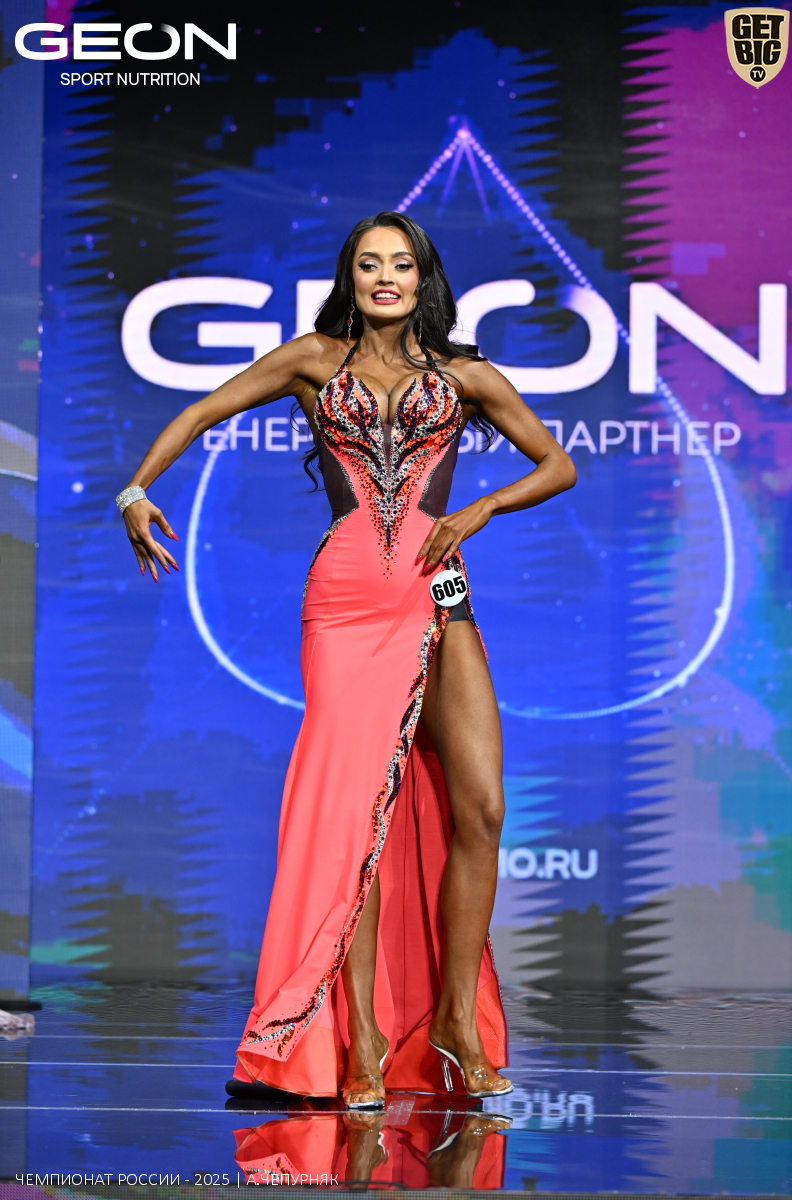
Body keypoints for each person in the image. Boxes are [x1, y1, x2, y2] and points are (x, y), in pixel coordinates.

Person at [117, 211, 576, 1108]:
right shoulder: (313, 360)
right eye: (369, 264)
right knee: (355, 822)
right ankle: (360, 1036)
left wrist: (480, 509)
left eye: (401, 264)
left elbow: (557, 464)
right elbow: (205, 410)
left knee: (482, 807)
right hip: (346, 604)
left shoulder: (465, 375)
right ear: (352, 278)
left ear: (423, 278)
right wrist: (136, 491)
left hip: (440, 593)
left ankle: (453, 1021)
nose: (385, 277)